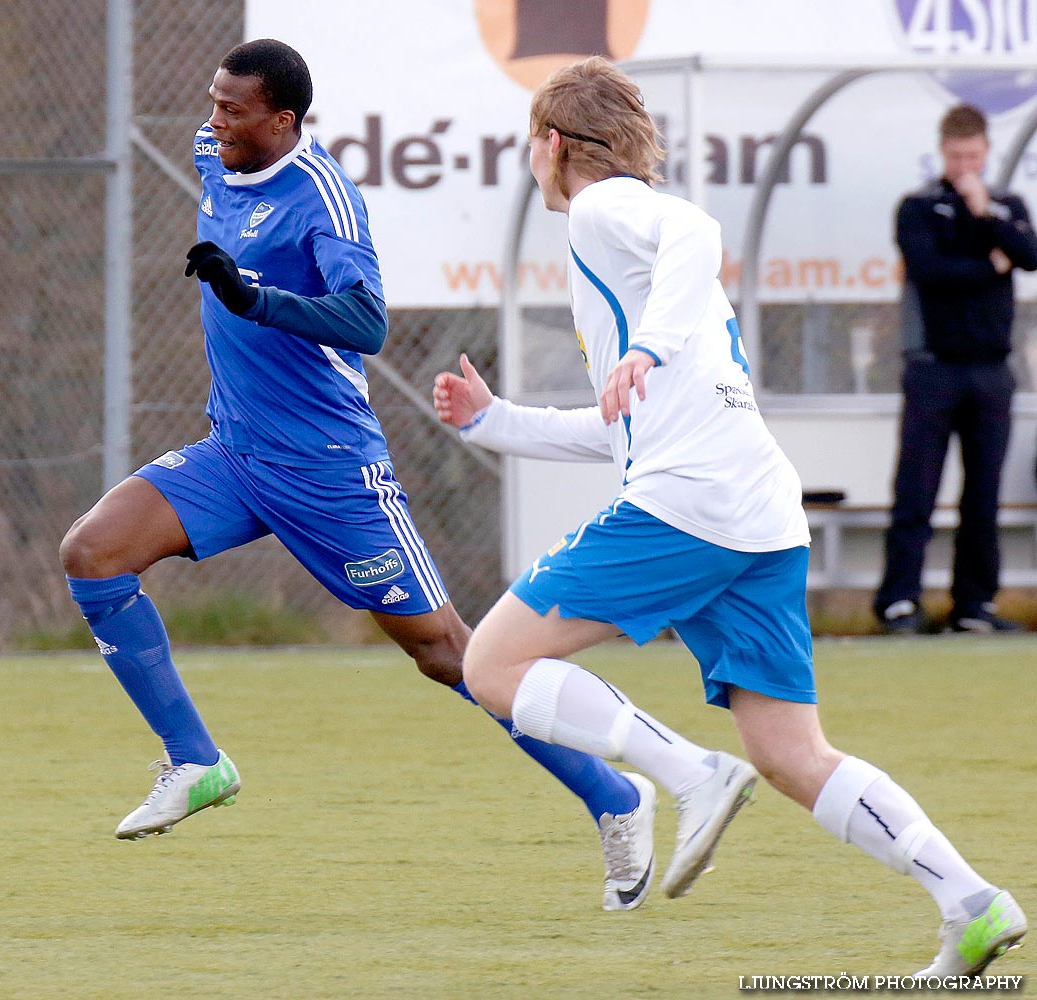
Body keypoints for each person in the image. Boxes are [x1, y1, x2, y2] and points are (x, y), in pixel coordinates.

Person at [432, 57, 1025, 975]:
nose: (531, 164)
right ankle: (971, 901)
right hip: (755, 514)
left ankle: (685, 775)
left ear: (552, 146)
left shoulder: (605, 212)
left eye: (530, 147)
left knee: (493, 663)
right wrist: (496, 421)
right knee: (793, 754)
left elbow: (697, 230)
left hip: (689, 505)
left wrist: (650, 348)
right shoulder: (635, 269)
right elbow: (622, 427)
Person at [59, 38, 659, 911]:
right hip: (236, 453)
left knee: (452, 656)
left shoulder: (325, 199)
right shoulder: (212, 154)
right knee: (93, 553)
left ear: (284, 122)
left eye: (233, 110)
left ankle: (617, 797)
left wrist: (253, 296)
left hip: (332, 470)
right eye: (214, 103)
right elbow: (214, 157)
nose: (213, 121)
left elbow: (367, 321)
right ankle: (196, 761)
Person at [874, 103, 1037, 635]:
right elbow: (932, 273)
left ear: (987, 152)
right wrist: (990, 264)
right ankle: (899, 601)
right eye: (956, 156)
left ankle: (973, 606)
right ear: (942, 152)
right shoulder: (919, 207)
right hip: (932, 370)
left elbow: (1029, 254)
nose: (965, 164)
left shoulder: (1006, 206)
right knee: (917, 490)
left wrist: (986, 213)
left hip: (991, 371)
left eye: (973, 156)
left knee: (983, 494)